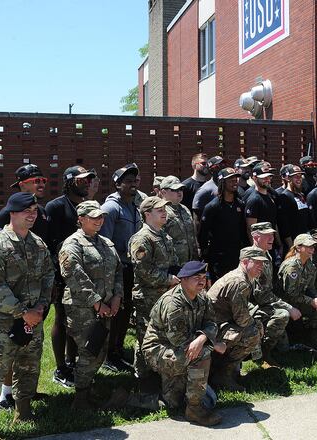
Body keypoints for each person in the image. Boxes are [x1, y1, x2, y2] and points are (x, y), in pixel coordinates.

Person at [0, 192, 54, 437]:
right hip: (2, 323)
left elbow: (49, 275)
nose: (32, 215)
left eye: (34, 211)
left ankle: (24, 410)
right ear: (12, 212)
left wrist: (40, 306)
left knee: (29, 367)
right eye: (26, 211)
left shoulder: (38, 244)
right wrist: (23, 312)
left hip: (34, 320)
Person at [58, 200, 123, 409]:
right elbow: (74, 275)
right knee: (90, 350)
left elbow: (118, 272)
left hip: (105, 306)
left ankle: (87, 388)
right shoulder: (72, 244)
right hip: (81, 308)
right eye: (94, 217)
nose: (99, 220)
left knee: (100, 350)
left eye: (101, 217)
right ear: (81, 219)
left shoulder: (106, 243)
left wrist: (117, 297)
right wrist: (96, 303)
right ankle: (81, 398)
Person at [143, 261, 224, 426]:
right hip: (158, 350)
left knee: (173, 402)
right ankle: (194, 409)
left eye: (203, 277)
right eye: (196, 278)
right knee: (202, 354)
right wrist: (210, 344)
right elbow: (179, 340)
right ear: (183, 279)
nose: (202, 281)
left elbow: (212, 323)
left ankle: (164, 392)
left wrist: (202, 338)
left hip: (181, 346)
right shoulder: (173, 303)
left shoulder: (202, 296)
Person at [45, 165, 96, 389]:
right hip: (62, 273)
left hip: (86, 272)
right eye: (81, 179)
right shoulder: (55, 206)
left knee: (78, 320)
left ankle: (72, 362)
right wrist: (57, 277)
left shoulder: (87, 207)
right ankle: (61, 368)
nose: (86, 183)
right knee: (62, 318)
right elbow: (50, 243)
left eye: (88, 180)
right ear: (69, 181)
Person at [129, 196, 180, 388]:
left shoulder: (163, 236)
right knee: (147, 337)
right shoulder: (142, 238)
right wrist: (168, 280)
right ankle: (144, 378)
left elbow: (172, 264)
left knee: (159, 335)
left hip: (165, 295)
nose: (164, 213)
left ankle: (154, 373)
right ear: (147, 214)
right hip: (148, 297)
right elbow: (143, 271)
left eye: (165, 209)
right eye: (160, 210)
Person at [99, 163, 143, 372]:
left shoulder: (134, 206)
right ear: (117, 184)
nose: (133, 185)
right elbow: (104, 242)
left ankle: (117, 350)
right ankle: (108, 354)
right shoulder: (111, 208)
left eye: (135, 181)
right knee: (115, 312)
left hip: (131, 267)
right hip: (117, 268)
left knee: (125, 312)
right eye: (128, 181)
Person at [207, 247, 266, 390]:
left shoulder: (242, 277)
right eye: (257, 263)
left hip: (218, 323)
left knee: (255, 325)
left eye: (262, 263)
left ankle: (227, 370)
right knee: (253, 333)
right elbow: (242, 319)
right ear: (245, 262)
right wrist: (258, 325)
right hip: (211, 329)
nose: (261, 267)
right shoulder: (239, 282)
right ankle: (223, 375)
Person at [249, 222, 294, 368]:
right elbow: (261, 296)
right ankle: (263, 354)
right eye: (267, 235)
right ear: (255, 237)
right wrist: (288, 307)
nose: (272, 238)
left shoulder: (266, 253)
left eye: (272, 234)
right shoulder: (253, 257)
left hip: (265, 301)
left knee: (285, 349)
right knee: (283, 315)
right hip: (251, 307)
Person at [279, 234, 317, 350]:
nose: (312, 249)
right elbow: (290, 295)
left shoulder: (310, 265)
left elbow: (311, 287)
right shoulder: (292, 267)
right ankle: (295, 338)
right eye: (309, 246)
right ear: (298, 248)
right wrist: (311, 301)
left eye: (313, 246)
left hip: (299, 299)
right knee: (285, 347)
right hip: (285, 303)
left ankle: (310, 337)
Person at [0, 164, 50, 239]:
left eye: (43, 181)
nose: (42, 184)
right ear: (22, 185)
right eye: (37, 181)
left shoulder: (42, 211)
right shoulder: (8, 213)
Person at [160, 176, 199, 264]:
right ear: (163, 192)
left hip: (189, 262)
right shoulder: (160, 211)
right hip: (172, 263)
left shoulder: (184, 209)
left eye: (181, 189)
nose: (179, 192)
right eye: (175, 190)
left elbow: (192, 236)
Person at [278, 165, 312, 238]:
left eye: (300, 176)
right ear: (288, 178)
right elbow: (284, 224)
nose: (299, 179)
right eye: (296, 176)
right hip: (294, 241)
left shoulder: (301, 195)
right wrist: (290, 244)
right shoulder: (285, 196)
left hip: (305, 238)